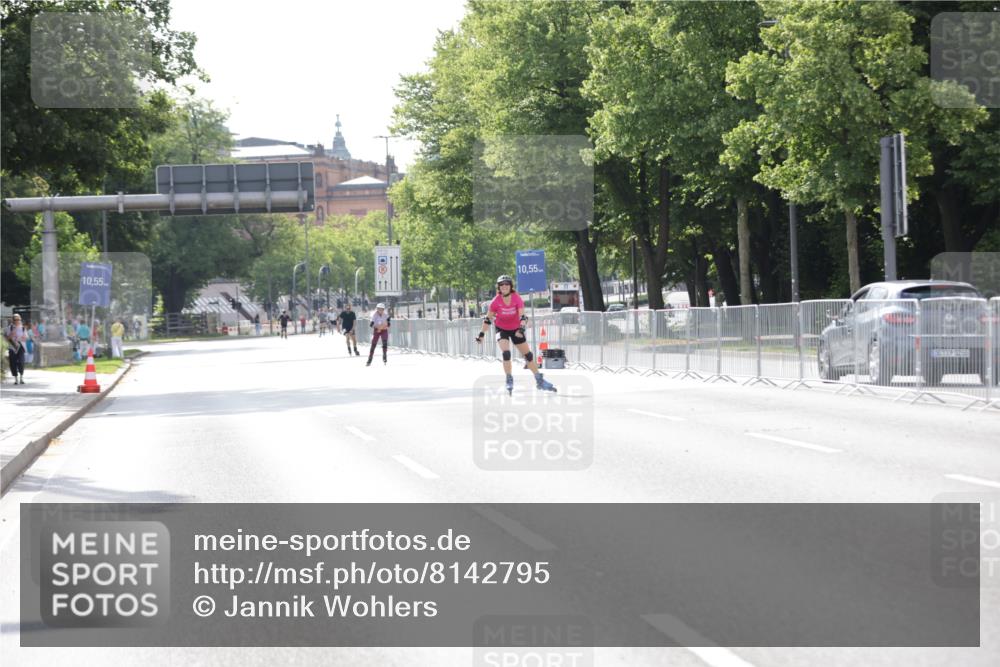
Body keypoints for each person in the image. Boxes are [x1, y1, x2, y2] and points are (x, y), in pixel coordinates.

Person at [475, 274, 556, 394]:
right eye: (501, 285)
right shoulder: (495, 301)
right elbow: (488, 319)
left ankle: (540, 380)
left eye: (506, 284)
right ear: (499, 287)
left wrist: (521, 329)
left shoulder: (516, 298)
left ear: (510, 286)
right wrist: (481, 334)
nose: (504, 286)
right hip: (501, 329)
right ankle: (509, 378)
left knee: (528, 356)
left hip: (516, 329)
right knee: (506, 353)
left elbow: (522, 316)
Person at [6, 313, 27, 384]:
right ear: (13, 320)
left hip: (21, 346)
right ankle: (16, 379)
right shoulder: (10, 328)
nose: (17, 321)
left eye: (19, 319)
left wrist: (23, 338)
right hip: (12, 346)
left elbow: (26, 338)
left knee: (21, 362)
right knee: (13, 363)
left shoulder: (23, 328)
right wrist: (12, 334)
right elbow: (7, 338)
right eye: (16, 319)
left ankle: (21, 377)